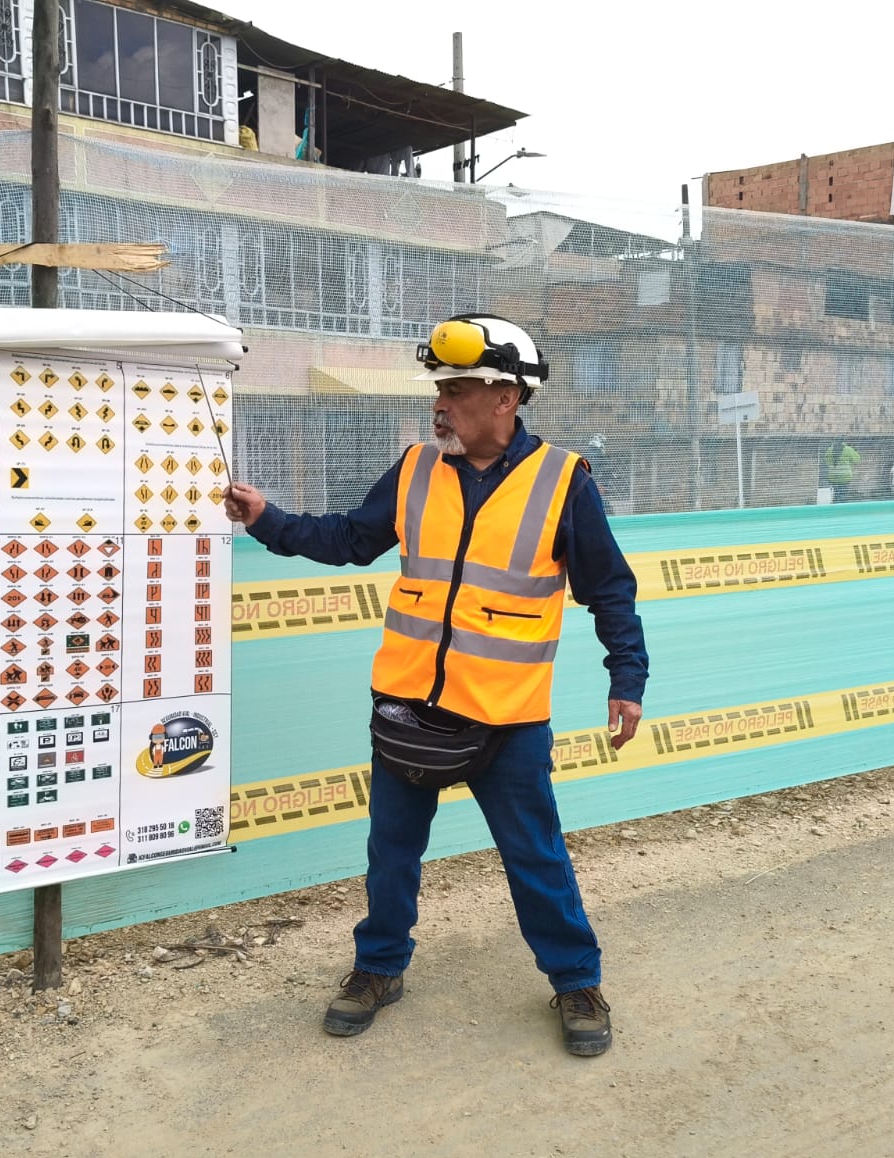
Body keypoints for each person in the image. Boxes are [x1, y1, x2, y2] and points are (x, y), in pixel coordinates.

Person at [224, 314, 648, 1057]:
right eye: (440, 390)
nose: (440, 405)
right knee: (391, 851)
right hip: (408, 703)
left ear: (505, 399)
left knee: (535, 856)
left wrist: (627, 677)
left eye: (456, 390)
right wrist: (269, 520)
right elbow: (350, 540)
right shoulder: (417, 468)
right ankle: (378, 968)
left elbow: (610, 589)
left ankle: (576, 980)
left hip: (507, 718)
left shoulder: (562, 482)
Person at [824, 436, 861, 502]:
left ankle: (836, 507)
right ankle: (841, 508)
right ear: (844, 442)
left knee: (836, 494)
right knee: (843, 494)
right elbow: (857, 460)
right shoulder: (848, 449)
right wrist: (855, 451)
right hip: (845, 477)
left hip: (833, 477)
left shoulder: (829, 450)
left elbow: (827, 462)